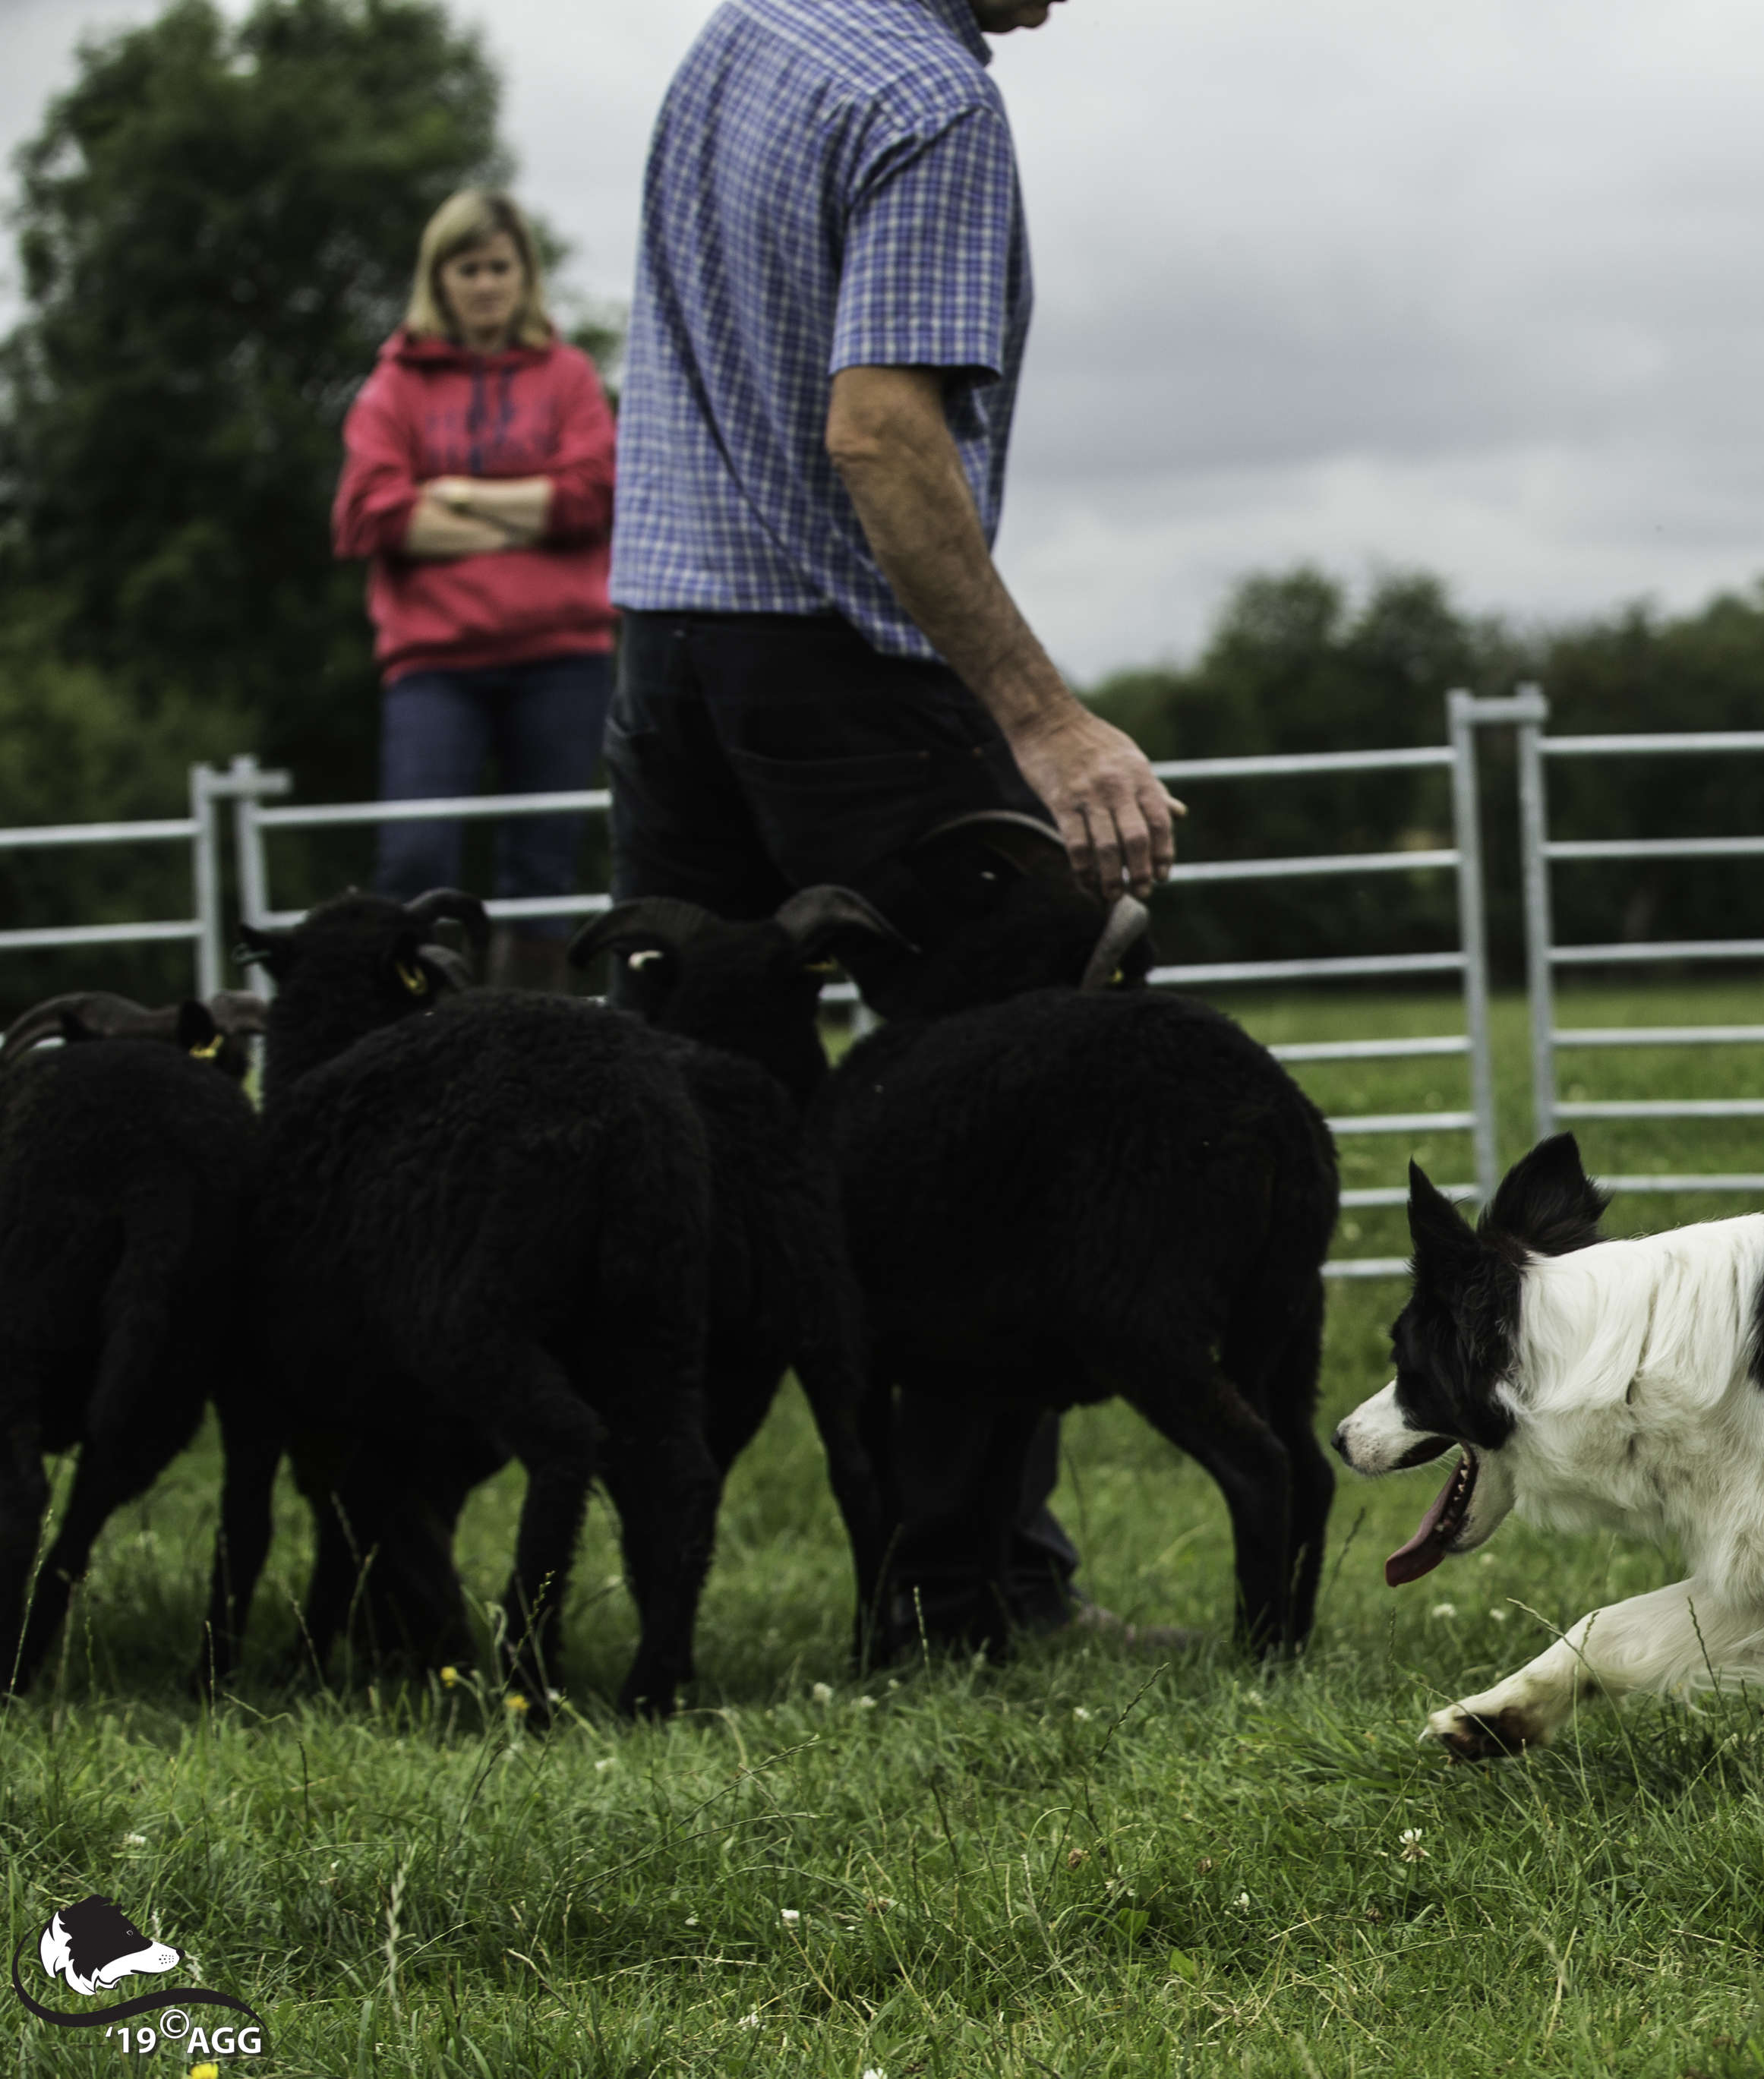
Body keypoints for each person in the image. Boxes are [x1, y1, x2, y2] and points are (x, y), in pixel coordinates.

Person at [609, 0, 1182, 1658]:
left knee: (689, 1129)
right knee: (1012, 1077)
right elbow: (877, 429)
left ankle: (652, 1590)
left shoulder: (749, 33)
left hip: (666, 652)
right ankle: (968, 1584)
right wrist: (1042, 717)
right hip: (838, 664)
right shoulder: (930, 103)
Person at [332, 190, 617, 992]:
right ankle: (412, 1026)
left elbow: (594, 495)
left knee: (544, 867)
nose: (486, 284)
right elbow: (370, 515)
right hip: (434, 663)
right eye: (469, 269)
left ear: (525, 275)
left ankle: (527, 1038)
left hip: (563, 657)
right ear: (440, 279)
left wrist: (455, 494)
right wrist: (529, 518)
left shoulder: (568, 376)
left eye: (500, 266)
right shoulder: (395, 386)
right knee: (415, 856)